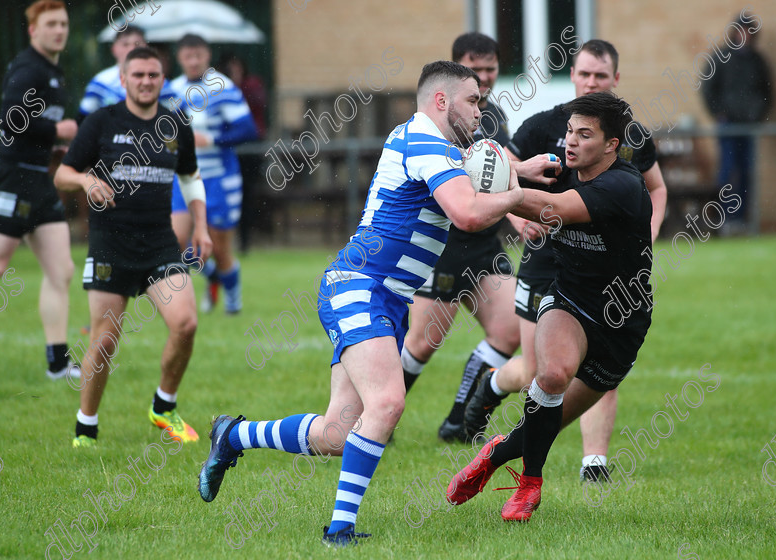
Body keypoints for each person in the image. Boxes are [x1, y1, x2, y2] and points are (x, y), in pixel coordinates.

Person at [197, 61, 558, 547]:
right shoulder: (427, 143)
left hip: (385, 296)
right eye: (473, 100)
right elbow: (469, 213)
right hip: (359, 286)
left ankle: (232, 436)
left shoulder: (432, 142)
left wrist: (517, 167)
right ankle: (339, 532)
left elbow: (468, 172)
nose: (482, 109)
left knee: (336, 434)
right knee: (387, 402)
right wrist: (520, 191)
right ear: (441, 102)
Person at [463, 40, 667, 482]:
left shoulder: (622, 181)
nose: (570, 141)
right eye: (571, 133)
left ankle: (497, 450)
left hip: (620, 311)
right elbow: (517, 176)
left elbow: (551, 207)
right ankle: (542, 480)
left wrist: (490, 191)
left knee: (548, 417)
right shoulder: (546, 131)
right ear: (572, 74)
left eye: (584, 135)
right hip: (563, 283)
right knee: (548, 374)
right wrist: (493, 180)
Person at [54, 47, 212, 447]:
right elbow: (62, 173)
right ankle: (85, 426)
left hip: (160, 242)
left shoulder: (175, 124)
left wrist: (202, 228)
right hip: (111, 243)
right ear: (123, 79)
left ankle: (164, 407)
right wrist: (86, 181)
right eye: (138, 74)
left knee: (186, 324)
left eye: (153, 75)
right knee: (105, 340)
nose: (146, 81)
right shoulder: (101, 122)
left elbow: (191, 177)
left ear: (163, 79)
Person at [401, 32, 530, 443]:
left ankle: (459, 418)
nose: (486, 77)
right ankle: (375, 415)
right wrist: (521, 176)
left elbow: (496, 173)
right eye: (477, 69)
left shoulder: (494, 117)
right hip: (444, 245)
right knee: (422, 344)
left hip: (485, 244)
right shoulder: (439, 121)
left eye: (492, 68)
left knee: (509, 330)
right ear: (455, 70)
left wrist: (518, 213)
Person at [0, 0, 80, 380]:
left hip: (40, 180)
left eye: (64, 23)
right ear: (32, 30)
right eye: (51, 23)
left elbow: (32, 127)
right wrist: (58, 132)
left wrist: (53, 145)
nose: (60, 30)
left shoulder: (53, 71)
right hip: (15, 178)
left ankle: (57, 364)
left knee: (62, 270)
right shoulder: (28, 68)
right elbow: (10, 120)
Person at [170, 34, 257, 314]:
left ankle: (232, 295)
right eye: (188, 56)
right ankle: (213, 279)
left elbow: (248, 129)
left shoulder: (222, 87)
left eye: (198, 55)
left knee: (219, 249)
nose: (194, 61)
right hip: (184, 178)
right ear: (180, 59)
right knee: (176, 243)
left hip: (219, 178)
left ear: (206, 56)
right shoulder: (172, 91)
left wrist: (213, 139)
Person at [701, 15, 772, 234]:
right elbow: (708, 89)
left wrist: (758, 113)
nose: (745, 35)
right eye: (741, 30)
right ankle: (727, 218)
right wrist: (719, 113)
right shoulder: (721, 57)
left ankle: (744, 219)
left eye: (749, 31)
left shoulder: (757, 60)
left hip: (749, 126)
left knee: (747, 170)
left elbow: (767, 92)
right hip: (728, 126)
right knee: (729, 170)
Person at [218, 52, 268, 251]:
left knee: (247, 196)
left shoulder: (251, 85)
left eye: (238, 68)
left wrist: (238, 86)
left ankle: (245, 241)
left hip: (249, 152)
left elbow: (256, 109)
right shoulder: (218, 89)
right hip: (227, 152)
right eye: (231, 69)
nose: (235, 72)